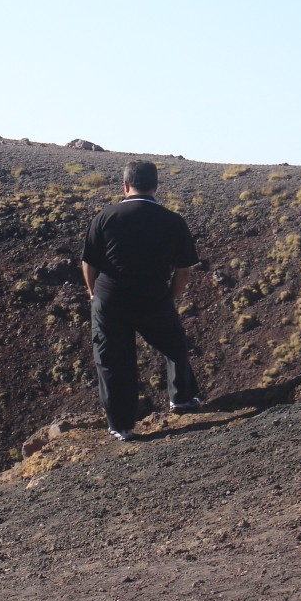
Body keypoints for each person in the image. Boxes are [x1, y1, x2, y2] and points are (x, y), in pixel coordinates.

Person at [80, 160, 201, 441]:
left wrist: (93, 294)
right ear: (156, 186)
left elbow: (88, 264)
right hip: (152, 296)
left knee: (112, 360)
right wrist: (168, 298)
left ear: (125, 185)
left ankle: (121, 426)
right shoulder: (172, 221)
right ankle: (181, 399)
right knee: (174, 345)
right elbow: (183, 271)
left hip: (110, 298)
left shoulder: (105, 217)